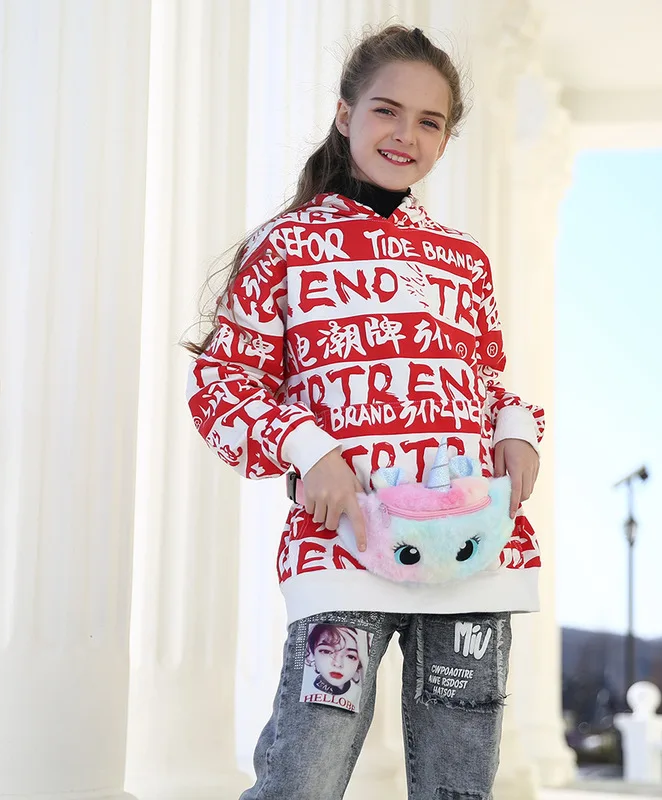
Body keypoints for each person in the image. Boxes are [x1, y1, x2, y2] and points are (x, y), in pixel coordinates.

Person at [186, 24, 544, 800]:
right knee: (304, 777)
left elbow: (482, 386)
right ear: (346, 114)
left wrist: (517, 432)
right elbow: (222, 383)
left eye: (429, 121)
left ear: (445, 139)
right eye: (387, 110)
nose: (405, 134)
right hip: (342, 553)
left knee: (458, 785)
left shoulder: (464, 261)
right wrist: (308, 447)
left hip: (471, 549)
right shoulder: (286, 247)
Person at [300, 624, 371, 713]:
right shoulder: (301, 687)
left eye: (350, 656)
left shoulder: (358, 692)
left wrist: (364, 657)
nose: (337, 663)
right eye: (326, 651)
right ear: (313, 653)